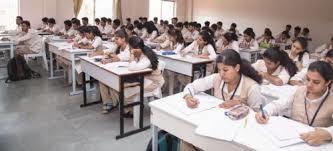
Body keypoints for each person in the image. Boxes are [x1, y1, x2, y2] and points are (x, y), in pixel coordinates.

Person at [180, 49, 264, 150]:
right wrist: (188, 97)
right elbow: (192, 86)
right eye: (219, 70)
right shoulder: (217, 78)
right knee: (186, 139)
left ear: (237, 68)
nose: (221, 74)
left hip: (237, 134)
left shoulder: (252, 87)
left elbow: (258, 116)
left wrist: (240, 104)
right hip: (217, 125)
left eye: (225, 70)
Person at [256, 61, 333, 146]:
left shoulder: (331, 100)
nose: (309, 85)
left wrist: (328, 133)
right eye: (307, 79)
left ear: (327, 82)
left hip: (315, 143)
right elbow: (277, 104)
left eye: (316, 82)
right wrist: (265, 112)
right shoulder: (298, 90)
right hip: (291, 139)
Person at [110, 36, 165, 117]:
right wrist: (133, 56)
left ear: (136, 48)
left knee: (124, 89)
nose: (129, 50)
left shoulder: (146, 58)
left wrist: (132, 54)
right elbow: (132, 64)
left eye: (130, 48)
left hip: (152, 82)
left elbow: (132, 67)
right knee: (117, 86)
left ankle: (133, 108)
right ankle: (131, 108)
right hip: (142, 78)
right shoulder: (141, 52)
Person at [98, 30, 131, 113]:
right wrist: (98, 53)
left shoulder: (129, 48)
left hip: (127, 72)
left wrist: (110, 58)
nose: (115, 41)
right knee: (102, 79)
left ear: (123, 39)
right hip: (117, 69)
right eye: (115, 39)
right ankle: (108, 102)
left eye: (117, 39)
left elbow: (120, 57)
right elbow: (108, 51)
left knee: (111, 81)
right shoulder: (117, 46)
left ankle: (120, 104)